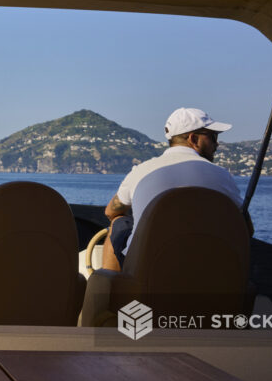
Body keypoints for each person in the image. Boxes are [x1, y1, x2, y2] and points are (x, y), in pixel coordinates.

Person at [102, 107, 251, 271]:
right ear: (194, 139)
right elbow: (246, 229)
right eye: (213, 137)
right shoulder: (223, 177)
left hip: (147, 273)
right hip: (206, 272)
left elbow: (110, 212)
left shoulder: (141, 172)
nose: (217, 144)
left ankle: (115, 290)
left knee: (119, 223)